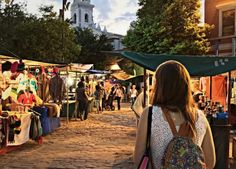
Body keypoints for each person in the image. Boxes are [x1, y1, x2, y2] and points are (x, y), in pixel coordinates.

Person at [134, 60, 215, 169]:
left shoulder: (150, 114)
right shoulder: (200, 117)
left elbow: (138, 160)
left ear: (159, 85)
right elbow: (210, 162)